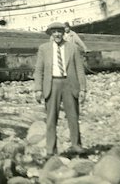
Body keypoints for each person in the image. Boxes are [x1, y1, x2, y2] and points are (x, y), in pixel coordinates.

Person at [33, 21, 87, 156]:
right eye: (54, 32)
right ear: (51, 34)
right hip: (52, 84)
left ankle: (76, 145)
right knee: (51, 118)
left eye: (59, 31)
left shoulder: (72, 48)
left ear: (64, 33)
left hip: (70, 84)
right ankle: (51, 149)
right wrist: (38, 89)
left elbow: (80, 69)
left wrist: (83, 89)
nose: (57, 34)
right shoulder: (44, 48)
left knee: (73, 117)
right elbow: (39, 70)